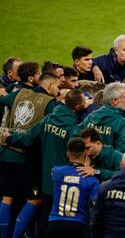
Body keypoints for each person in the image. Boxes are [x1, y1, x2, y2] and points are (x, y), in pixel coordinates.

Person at [3, 89, 86, 237]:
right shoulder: (74, 128)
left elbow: (27, 138)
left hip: (46, 179)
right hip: (65, 180)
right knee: (60, 218)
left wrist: (10, 137)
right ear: (78, 106)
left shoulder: (48, 119)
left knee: (44, 215)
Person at [0, 72, 59, 238]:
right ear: (49, 86)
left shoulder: (20, 93)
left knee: (7, 197)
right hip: (25, 160)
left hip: (5, 154)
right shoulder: (50, 104)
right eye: (57, 86)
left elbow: (2, 100)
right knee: (34, 199)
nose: (58, 90)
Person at [47, 137, 99, 238]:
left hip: (56, 222)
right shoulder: (91, 180)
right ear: (85, 153)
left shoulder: (57, 171)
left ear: (67, 153)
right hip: (78, 224)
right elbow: (96, 204)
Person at [75, 82, 125, 154]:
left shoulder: (90, 117)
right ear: (115, 100)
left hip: (88, 164)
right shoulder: (123, 124)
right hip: (109, 164)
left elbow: (74, 138)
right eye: (124, 97)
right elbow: (123, 155)